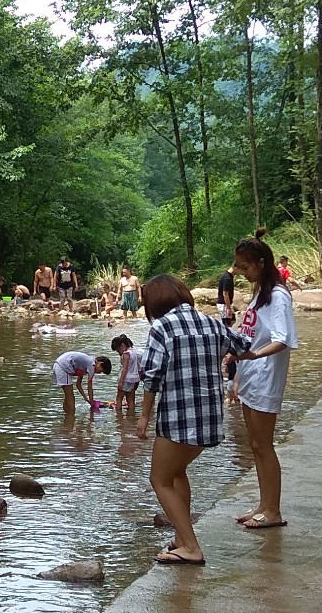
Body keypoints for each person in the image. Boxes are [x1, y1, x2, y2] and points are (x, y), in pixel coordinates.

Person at [135, 274, 248, 566]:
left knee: (158, 480)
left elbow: (152, 376)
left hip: (177, 417)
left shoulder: (161, 327)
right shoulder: (211, 322)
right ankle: (181, 538)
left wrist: (144, 417)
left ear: (156, 301)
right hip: (210, 417)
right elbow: (244, 346)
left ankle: (191, 547)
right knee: (176, 473)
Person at [230, 236, 298, 530]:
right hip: (250, 375)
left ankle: (273, 511)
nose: (242, 273)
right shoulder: (261, 293)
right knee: (254, 445)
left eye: (246, 267)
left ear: (261, 263)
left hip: (265, 377)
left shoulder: (279, 296)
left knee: (264, 445)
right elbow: (250, 335)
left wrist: (253, 356)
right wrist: (237, 372)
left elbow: (283, 340)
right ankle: (263, 504)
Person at [54, 347, 110, 420]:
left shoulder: (86, 364)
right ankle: (71, 419)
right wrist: (92, 404)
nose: (99, 373)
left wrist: (87, 399)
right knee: (71, 398)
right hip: (63, 367)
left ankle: (67, 418)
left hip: (59, 365)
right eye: (101, 371)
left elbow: (78, 384)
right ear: (100, 364)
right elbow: (89, 386)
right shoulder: (92, 365)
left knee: (68, 396)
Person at [110, 333, 143, 412]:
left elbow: (124, 369)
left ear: (122, 346)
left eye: (118, 350)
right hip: (134, 379)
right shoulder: (134, 353)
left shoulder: (126, 354)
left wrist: (121, 381)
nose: (119, 353)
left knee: (119, 398)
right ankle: (131, 416)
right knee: (131, 399)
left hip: (126, 379)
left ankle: (119, 417)